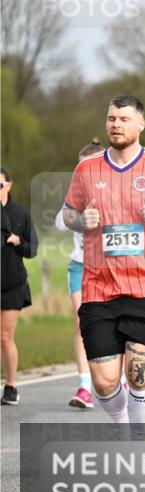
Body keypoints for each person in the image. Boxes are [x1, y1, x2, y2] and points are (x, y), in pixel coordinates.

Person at [61, 95, 145, 438]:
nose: (116, 125)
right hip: (98, 287)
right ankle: (122, 424)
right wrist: (81, 219)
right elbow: (67, 213)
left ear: (141, 124)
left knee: (139, 373)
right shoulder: (86, 169)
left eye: (124, 119)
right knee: (104, 382)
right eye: (111, 118)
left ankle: (137, 444)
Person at [53, 141, 105, 409]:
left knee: (110, 324)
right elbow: (60, 224)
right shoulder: (76, 194)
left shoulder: (115, 190)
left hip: (109, 269)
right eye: (80, 166)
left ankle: (112, 379)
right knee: (81, 323)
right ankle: (85, 387)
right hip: (79, 267)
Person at [1, 167, 39, 406]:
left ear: (9, 185)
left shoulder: (20, 214)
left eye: (0, 184)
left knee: (5, 337)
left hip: (12, 283)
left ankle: (11, 385)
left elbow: (32, 249)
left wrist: (17, 240)